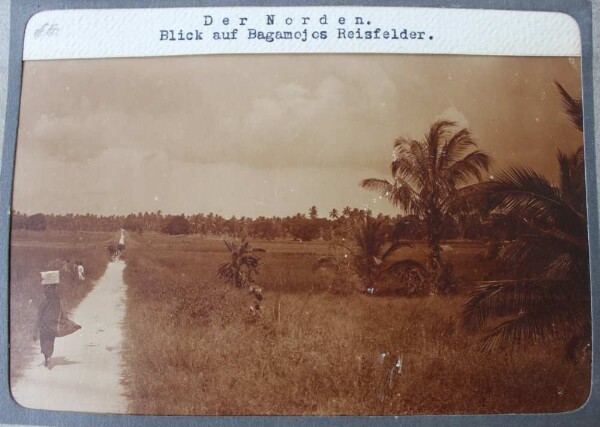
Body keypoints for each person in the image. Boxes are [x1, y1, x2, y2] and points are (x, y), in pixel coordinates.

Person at [34, 271, 81, 368]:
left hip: (44, 325)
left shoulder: (45, 300)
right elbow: (62, 312)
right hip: (52, 325)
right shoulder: (56, 299)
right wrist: (69, 322)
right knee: (50, 340)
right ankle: (48, 357)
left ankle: (47, 357)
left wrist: (35, 330)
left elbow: (39, 314)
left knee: (45, 340)